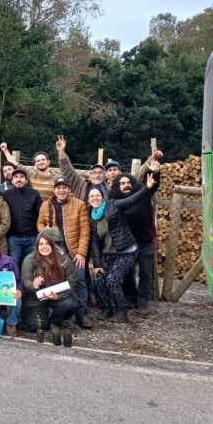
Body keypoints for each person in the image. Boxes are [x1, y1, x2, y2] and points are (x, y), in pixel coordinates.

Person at [88, 169, 158, 322]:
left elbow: (132, 200)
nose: (95, 198)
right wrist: (97, 264)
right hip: (109, 254)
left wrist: (147, 187)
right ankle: (107, 308)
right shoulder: (91, 215)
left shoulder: (113, 205)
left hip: (126, 251)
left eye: (97, 196)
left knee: (112, 279)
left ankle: (121, 311)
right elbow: (94, 241)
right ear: (88, 199)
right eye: (92, 196)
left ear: (103, 197)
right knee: (99, 279)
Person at [36, 177, 93, 329]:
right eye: (58, 187)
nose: (61, 190)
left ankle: (82, 312)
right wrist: (46, 233)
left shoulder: (79, 204)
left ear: (69, 189)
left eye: (64, 187)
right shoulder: (46, 205)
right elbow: (40, 223)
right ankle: (62, 309)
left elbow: (85, 230)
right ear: (54, 190)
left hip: (74, 250)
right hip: (55, 250)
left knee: (79, 280)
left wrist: (81, 253)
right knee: (57, 280)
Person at [109, 164, 162, 315]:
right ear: (118, 186)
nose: (126, 185)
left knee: (145, 272)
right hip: (127, 243)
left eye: (128, 182)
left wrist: (155, 172)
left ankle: (143, 302)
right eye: (122, 183)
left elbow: (152, 185)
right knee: (127, 273)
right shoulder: (114, 200)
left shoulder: (142, 194)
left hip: (145, 241)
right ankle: (130, 297)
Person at [20, 229, 78, 335]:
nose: (44, 247)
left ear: (53, 245)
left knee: (70, 304)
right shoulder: (29, 259)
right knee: (38, 326)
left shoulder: (64, 259)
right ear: (37, 246)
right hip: (36, 296)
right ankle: (28, 316)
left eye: (47, 243)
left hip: (55, 293)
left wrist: (58, 296)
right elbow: (24, 280)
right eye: (41, 244)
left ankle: (55, 322)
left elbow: (72, 282)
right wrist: (33, 285)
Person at [0, 167, 42, 267]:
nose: (19, 179)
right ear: (12, 180)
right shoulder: (6, 195)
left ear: (26, 180)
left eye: (22, 177)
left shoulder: (34, 194)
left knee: (31, 265)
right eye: (16, 177)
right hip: (14, 237)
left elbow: (40, 215)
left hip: (32, 236)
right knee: (14, 264)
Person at [55, 135, 109, 202]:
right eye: (94, 172)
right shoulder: (80, 183)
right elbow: (67, 170)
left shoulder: (109, 188)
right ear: (90, 174)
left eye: (100, 173)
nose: (97, 175)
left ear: (104, 175)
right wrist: (61, 151)